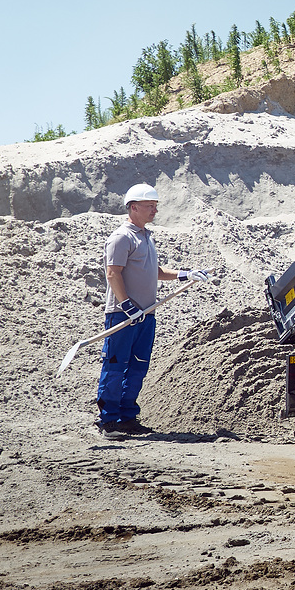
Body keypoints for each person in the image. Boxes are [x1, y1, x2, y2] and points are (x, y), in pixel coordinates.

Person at [97, 184, 207, 439]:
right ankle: (109, 420)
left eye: (156, 206)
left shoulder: (146, 236)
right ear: (133, 207)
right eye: (150, 206)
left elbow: (155, 272)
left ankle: (127, 417)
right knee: (115, 366)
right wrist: (126, 305)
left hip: (146, 315)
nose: (154, 211)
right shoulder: (121, 237)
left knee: (137, 367)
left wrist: (185, 274)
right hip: (122, 315)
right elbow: (113, 273)